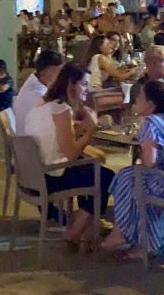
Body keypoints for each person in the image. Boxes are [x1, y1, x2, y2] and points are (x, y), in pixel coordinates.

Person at [18, 63, 114, 247]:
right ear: (71, 85)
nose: (87, 89)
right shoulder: (61, 110)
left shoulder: (42, 107)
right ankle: (75, 231)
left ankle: (88, 228)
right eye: (84, 84)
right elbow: (70, 154)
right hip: (50, 178)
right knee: (105, 176)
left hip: (31, 177)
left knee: (91, 168)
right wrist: (90, 130)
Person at [99, 79, 164, 260]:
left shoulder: (151, 123)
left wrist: (141, 154)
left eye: (139, 97)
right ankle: (143, 243)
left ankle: (121, 233)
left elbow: (149, 163)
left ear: (150, 104)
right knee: (132, 178)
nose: (136, 101)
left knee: (126, 177)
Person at [14, 49, 65, 130]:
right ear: (45, 71)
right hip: (30, 140)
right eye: (59, 71)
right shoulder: (37, 93)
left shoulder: (35, 82)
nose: (62, 76)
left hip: (30, 135)